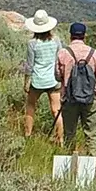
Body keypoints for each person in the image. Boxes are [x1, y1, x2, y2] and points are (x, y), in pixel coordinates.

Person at [57, 22, 96, 157]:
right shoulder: (93, 53)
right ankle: (92, 166)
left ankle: (68, 164)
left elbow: (57, 76)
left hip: (69, 98)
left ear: (70, 36)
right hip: (91, 97)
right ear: (85, 36)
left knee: (69, 132)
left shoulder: (63, 52)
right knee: (92, 134)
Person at [20, 10, 63, 141]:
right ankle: (60, 138)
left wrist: (26, 81)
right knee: (56, 110)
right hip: (53, 80)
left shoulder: (32, 43)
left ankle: (28, 135)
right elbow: (59, 59)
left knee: (30, 107)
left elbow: (29, 65)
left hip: (37, 81)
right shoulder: (56, 40)